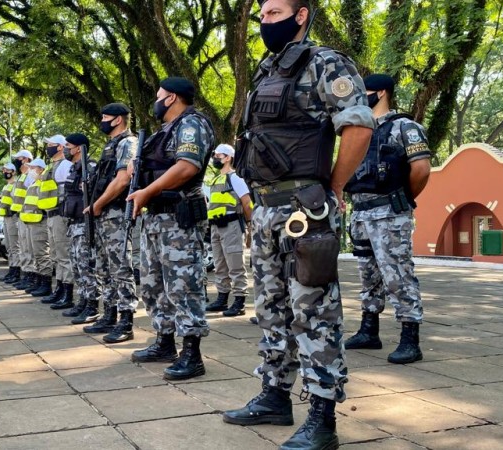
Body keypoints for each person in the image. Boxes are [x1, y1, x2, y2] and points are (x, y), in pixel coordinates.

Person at [221, 2, 374, 449]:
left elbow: (359, 127)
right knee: (271, 309)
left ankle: (323, 418)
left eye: (273, 12)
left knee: (315, 312)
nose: (264, 21)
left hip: (304, 210)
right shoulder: (268, 70)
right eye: (262, 15)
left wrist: (335, 187)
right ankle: (274, 395)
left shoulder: (324, 61)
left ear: (301, 14)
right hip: (267, 209)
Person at [126, 77, 215, 381]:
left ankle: (192, 354)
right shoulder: (162, 132)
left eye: (159, 95)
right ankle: (164, 341)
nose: (156, 101)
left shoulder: (191, 124)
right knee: (153, 284)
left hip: (179, 218)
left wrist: (147, 191)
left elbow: (187, 166)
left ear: (173, 98)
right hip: (156, 218)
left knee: (183, 284)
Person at [343, 73, 431, 364]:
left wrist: (401, 200)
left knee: (397, 274)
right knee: (367, 274)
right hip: (361, 212)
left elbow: (421, 170)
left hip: (390, 214)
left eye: (363, 91)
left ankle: (410, 337)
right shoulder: (357, 130)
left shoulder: (405, 127)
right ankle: (369, 329)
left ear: (380, 92)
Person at [81, 103, 139, 343]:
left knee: (120, 268)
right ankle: (110, 313)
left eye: (106, 117)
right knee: (104, 267)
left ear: (118, 120)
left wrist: (98, 204)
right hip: (103, 215)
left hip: (115, 213)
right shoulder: (110, 145)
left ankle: (126, 321)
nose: (102, 120)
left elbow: (123, 179)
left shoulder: (127, 143)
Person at [205, 144, 252, 317]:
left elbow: (246, 203)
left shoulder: (236, 178)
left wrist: (250, 225)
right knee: (219, 264)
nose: (215, 158)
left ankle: (239, 301)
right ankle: (222, 298)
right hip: (216, 227)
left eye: (219, 155)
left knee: (235, 265)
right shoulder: (216, 179)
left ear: (228, 158)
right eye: (215, 155)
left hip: (232, 226)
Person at [61, 133, 100, 325]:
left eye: (68, 145)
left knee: (86, 266)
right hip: (74, 224)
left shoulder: (89, 167)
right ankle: (83, 300)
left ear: (78, 148)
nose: (65, 148)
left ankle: (92, 305)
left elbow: (92, 194)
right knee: (77, 266)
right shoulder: (74, 168)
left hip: (85, 224)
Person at [37, 135, 73, 303]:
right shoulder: (51, 166)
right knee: (55, 254)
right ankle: (59, 288)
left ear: (60, 147)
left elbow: (68, 191)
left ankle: (67, 292)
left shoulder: (65, 165)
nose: (48, 147)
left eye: (51, 144)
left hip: (60, 214)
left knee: (64, 254)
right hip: (50, 215)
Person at [19, 158, 53, 296]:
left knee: (42, 254)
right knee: (36, 254)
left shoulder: (43, 183)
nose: (30, 171)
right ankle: (39, 281)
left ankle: (46, 284)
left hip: (40, 222)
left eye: (33, 168)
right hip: (31, 222)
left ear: (40, 169)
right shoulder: (34, 183)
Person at [9, 150, 37, 290]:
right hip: (21, 215)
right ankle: (26, 275)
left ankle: (31, 277)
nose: (17, 160)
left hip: (29, 216)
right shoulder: (21, 176)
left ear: (26, 159)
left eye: (19, 158)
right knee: (24, 248)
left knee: (29, 249)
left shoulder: (31, 175)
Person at [0, 162, 21, 283]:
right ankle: (12, 269)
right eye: (3, 170)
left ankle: (16, 271)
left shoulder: (16, 184)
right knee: (9, 246)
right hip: (5, 217)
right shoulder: (6, 186)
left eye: (7, 170)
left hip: (13, 217)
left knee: (14, 246)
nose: (5, 172)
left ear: (13, 172)